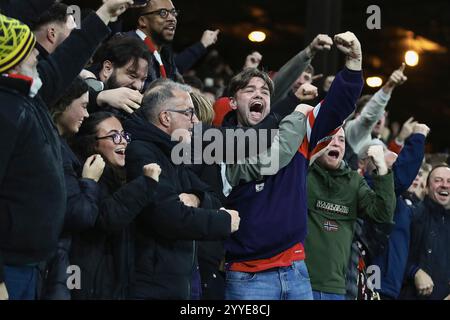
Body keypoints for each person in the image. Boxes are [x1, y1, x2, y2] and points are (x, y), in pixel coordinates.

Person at [0, 0, 140, 301]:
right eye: (31, 55)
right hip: (10, 268)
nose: (39, 60)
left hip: (33, 262)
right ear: (12, 61)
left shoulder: (26, 97)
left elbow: (63, 64)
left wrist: (103, 16)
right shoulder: (5, 110)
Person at [222, 31, 364, 300]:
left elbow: (337, 108)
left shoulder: (297, 131)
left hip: (296, 268)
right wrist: (297, 112)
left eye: (265, 91)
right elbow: (269, 160)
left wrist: (354, 64)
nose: (259, 94)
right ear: (232, 101)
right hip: (247, 275)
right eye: (249, 90)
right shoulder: (220, 144)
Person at [124, 81, 240, 299]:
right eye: (188, 113)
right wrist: (223, 222)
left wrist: (195, 197)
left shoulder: (170, 153)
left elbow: (213, 198)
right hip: (153, 285)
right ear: (166, 117)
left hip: (180, 279)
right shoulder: (143, 153)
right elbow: (167, 216)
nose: (194, 121)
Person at [68, 111, 161, 299]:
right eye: (114, 136)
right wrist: (145, 184)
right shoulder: (86, 176)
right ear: (93, 143)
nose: (123, 141)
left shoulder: (119, 176)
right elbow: (105, 219)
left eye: (124, 135)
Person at [304, 130, 396, 300]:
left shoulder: (354, 181)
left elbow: (382, 214)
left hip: (337, 288)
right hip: (297, 284)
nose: (336, 143)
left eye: (341, 140)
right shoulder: (303, 173)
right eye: (329, 138)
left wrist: (382, 168)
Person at [367, 123, 430, 300]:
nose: (407, 173)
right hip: (374, 283)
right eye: (393, 166)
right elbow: (399, 178)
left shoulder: (404, 204)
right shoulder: (371, 188)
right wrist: (418, 138)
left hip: (394, 288)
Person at [401, 165, 450, 300]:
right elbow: (395, 255)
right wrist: (414, 272)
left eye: (449, 181)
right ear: (426, 188)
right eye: (438, 180)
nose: (445, 185)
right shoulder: (413, 216)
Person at [87, 34, 151, 115]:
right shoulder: (77, 81)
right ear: (107, 68)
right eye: (132, 76)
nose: (138, 86)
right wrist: (99, 97)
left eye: (143, 79)